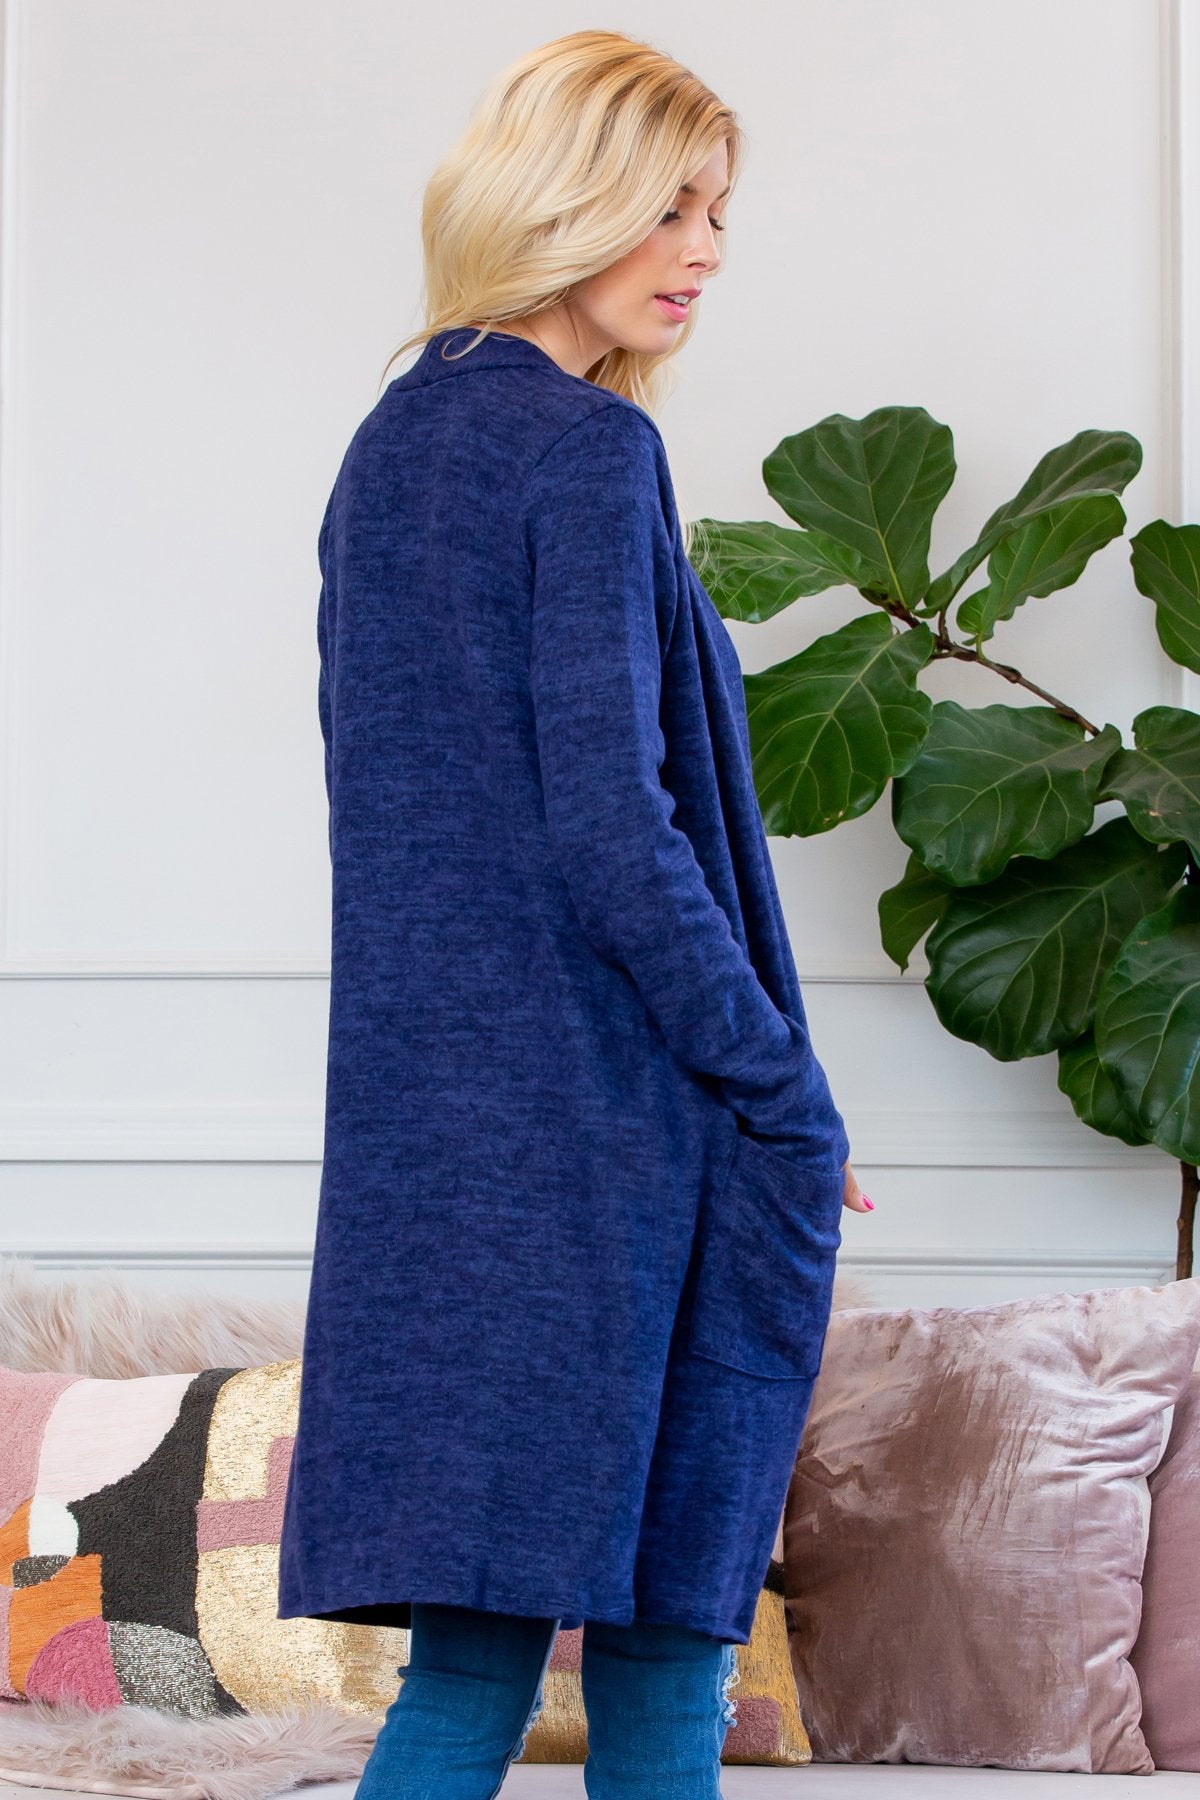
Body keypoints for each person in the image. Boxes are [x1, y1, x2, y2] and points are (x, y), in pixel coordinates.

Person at [276, 27, 873, 1799]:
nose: (704, 252)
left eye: (719, 213)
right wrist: (777, 1082)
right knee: (669, 1651)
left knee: (466, 1665)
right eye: (670, 206)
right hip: (618, 1130)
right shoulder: (586, 452)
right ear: (567, 198)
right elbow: (618, 831)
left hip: (442, 1136)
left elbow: (406, 822)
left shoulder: (390, 446)